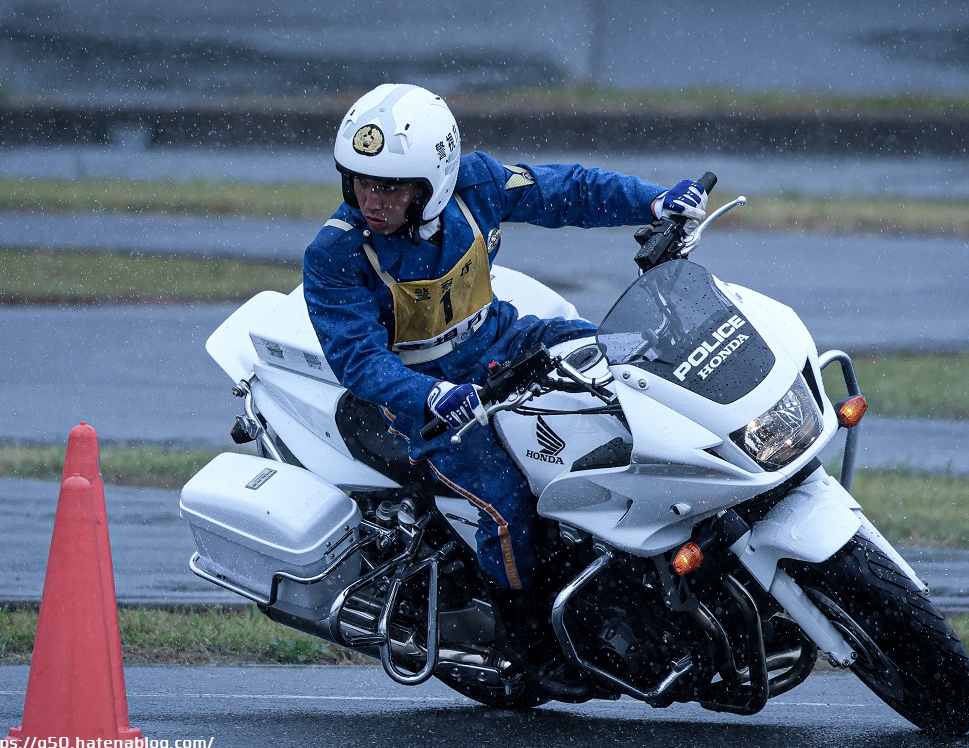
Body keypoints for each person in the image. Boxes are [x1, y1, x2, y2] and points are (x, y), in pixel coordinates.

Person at [303, 83, 707, 599]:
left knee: (636, 366)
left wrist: (652, 201)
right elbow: (358, 362)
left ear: (435, 185)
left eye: (389, 188)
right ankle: (528, 632)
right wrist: (430, 396)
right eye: (360, 183)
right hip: (420, 400)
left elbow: (570, 191)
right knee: (507, 503)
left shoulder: (479, 185)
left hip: (505, 342)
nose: (370, 201)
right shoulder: (335, 252)